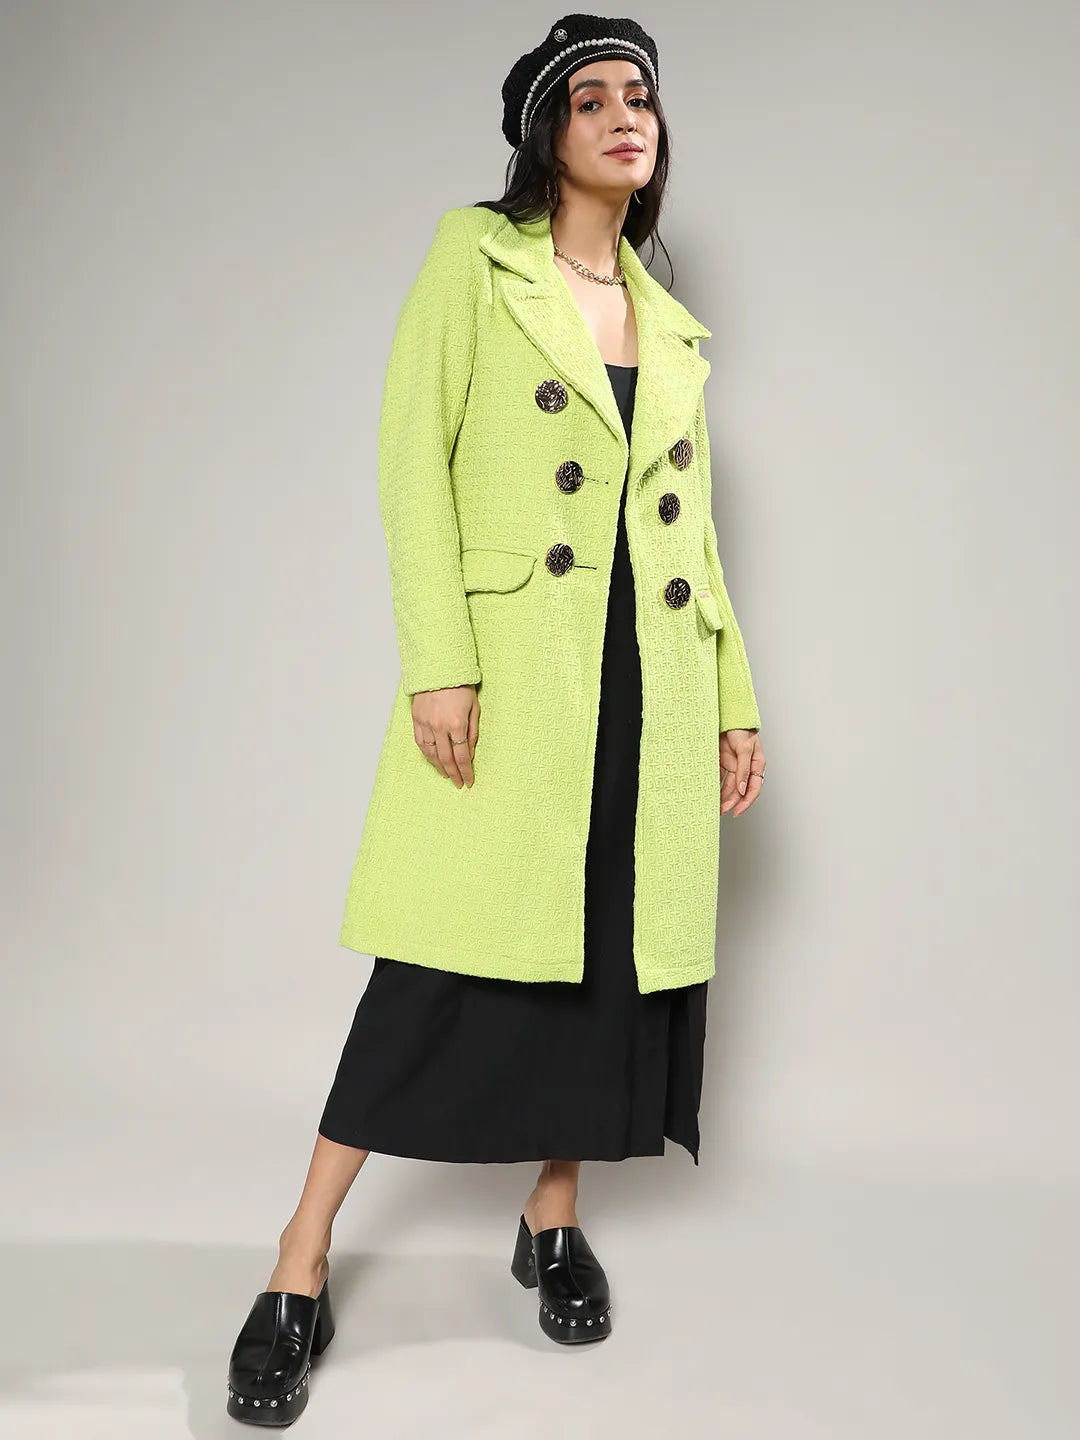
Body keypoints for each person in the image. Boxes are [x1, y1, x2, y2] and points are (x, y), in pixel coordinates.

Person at [226, 12, 766, 1426]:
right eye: (592, 98)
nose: (625, 114)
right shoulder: (475, 260)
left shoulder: (666, 315)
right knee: (439, 964)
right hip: (524, 668)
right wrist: (440, 666)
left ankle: (550, 1215)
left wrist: (733, 696)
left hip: (650, 676)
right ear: (546, 134)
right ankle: (299, 1256)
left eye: (641, 94)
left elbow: (694, 530)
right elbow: (413, 462)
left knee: (603, 951)